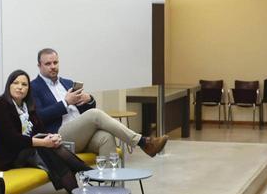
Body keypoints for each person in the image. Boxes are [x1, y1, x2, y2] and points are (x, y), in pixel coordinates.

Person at [0, 69, 92, 194]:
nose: (20, 87)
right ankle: (85, 171)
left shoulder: (27, 105)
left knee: (50, 150)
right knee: (47, 149)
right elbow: (12, 140)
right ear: (8, 85)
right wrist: (43, 142)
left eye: (24, 84)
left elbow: (39, 129)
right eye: (15, 83)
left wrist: (51, 136)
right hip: (9, 156)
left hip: (29, 150)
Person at [30, 47, 167, 158]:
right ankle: (143, 142)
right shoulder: (34, 87)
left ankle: (110, 188)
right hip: (59, 136)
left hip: (81, 134)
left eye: (55, 62)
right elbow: (39, 117)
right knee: (94, 114)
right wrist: (65, 103)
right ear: (39, 66)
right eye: (48, 64)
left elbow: (87, 111)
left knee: (106, 138)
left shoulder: (67, 83)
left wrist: (89, 100)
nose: (53, 66)